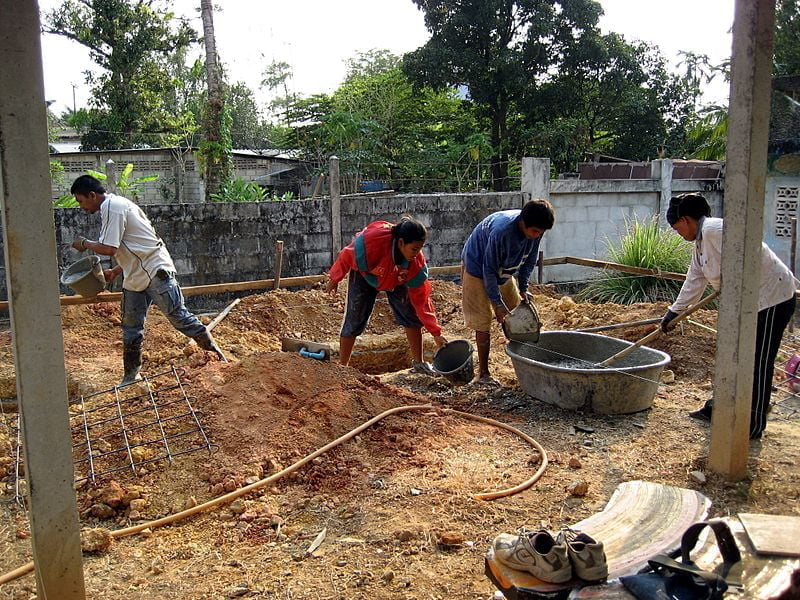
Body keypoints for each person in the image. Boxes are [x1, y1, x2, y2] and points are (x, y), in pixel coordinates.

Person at [661, 193, 797, 439]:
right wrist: (674, 313)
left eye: (676, 226)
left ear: (686, 219)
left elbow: (749, 253)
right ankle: (719, 408)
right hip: (745, 304)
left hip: (771, 299)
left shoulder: (716, 229)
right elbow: (695, 279)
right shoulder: (701, 243)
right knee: (732, 357)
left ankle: (753, 424)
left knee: (757, 362)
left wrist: (733, 286)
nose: (676, 232)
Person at [69, 175, 225, 385]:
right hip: (135, 275)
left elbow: (109, 248)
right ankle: (131, 377)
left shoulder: (112, 208)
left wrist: (85, 243)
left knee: (178, 316)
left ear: (92, 195)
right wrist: (116, 270)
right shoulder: (116, 206)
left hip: (155, 270)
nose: (81, 207)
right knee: (131, 326)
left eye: (81, 201)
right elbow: (134, 244)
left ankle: (217, 355)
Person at [326, 217, 447, 371]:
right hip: (366, 275)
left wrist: (436, 332)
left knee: (410, 315)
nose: (417, 254)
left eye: (420, 249)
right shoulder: (371, 243)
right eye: (414, 249)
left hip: (397, 278)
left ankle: (419, 363)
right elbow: (346, 255)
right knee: (354, 319)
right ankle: (343, 367)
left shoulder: (415, 265)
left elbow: (422, 301)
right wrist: (335, 278)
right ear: (401, 243)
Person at [461, 199, 555, 384]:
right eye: (535, 231)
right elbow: (488, 269)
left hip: (505, 269)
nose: (537, 236)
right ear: (522, 223)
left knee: (516, 310)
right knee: (483, 321)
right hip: (478, 267)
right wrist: (496, 304)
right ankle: (484, 373)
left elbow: (529, 261)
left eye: (540, 233)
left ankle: (524, 360)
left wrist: (523, 288)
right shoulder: (501, 232)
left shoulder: (537, 229)